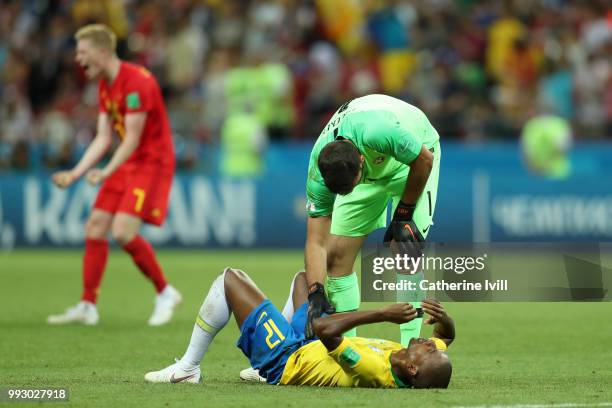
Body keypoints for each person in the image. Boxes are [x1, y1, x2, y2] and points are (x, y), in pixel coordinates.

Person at [47, 24, 180, 326]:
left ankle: (165, 292)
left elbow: (132, 138)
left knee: (122, 232)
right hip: (128, 162)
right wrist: (75, 173)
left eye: (83, 52)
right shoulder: (105, 85)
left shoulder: (138, 83)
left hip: (151, 162)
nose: (78, 59)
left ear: (103, 52)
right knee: (95, 226)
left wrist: (106, 170)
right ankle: (87, 305)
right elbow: (104, 137)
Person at [144, 269, 454, 388]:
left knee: (230, 279)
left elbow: (324, 329)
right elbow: (446, 337)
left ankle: (187, 368)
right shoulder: (410, 360)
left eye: (426, 350)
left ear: (412, 369)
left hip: (288, 361)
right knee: (306, 280)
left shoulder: (374, 368)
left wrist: (382, 313)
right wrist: (443, 317)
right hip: (305, 346)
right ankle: (259, 362)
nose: (429, 343)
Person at [304, 94, 441, 345]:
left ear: (361, 162)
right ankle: (349, 350)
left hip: (414, 159)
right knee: (337, 256)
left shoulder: (379, 132)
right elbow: (316, 241)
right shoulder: (319, 173)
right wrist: (315, 291)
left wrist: (403, 215)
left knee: (406, 248)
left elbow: (423, 160)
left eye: (350, 187)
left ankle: (410, 346)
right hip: (371, 170)